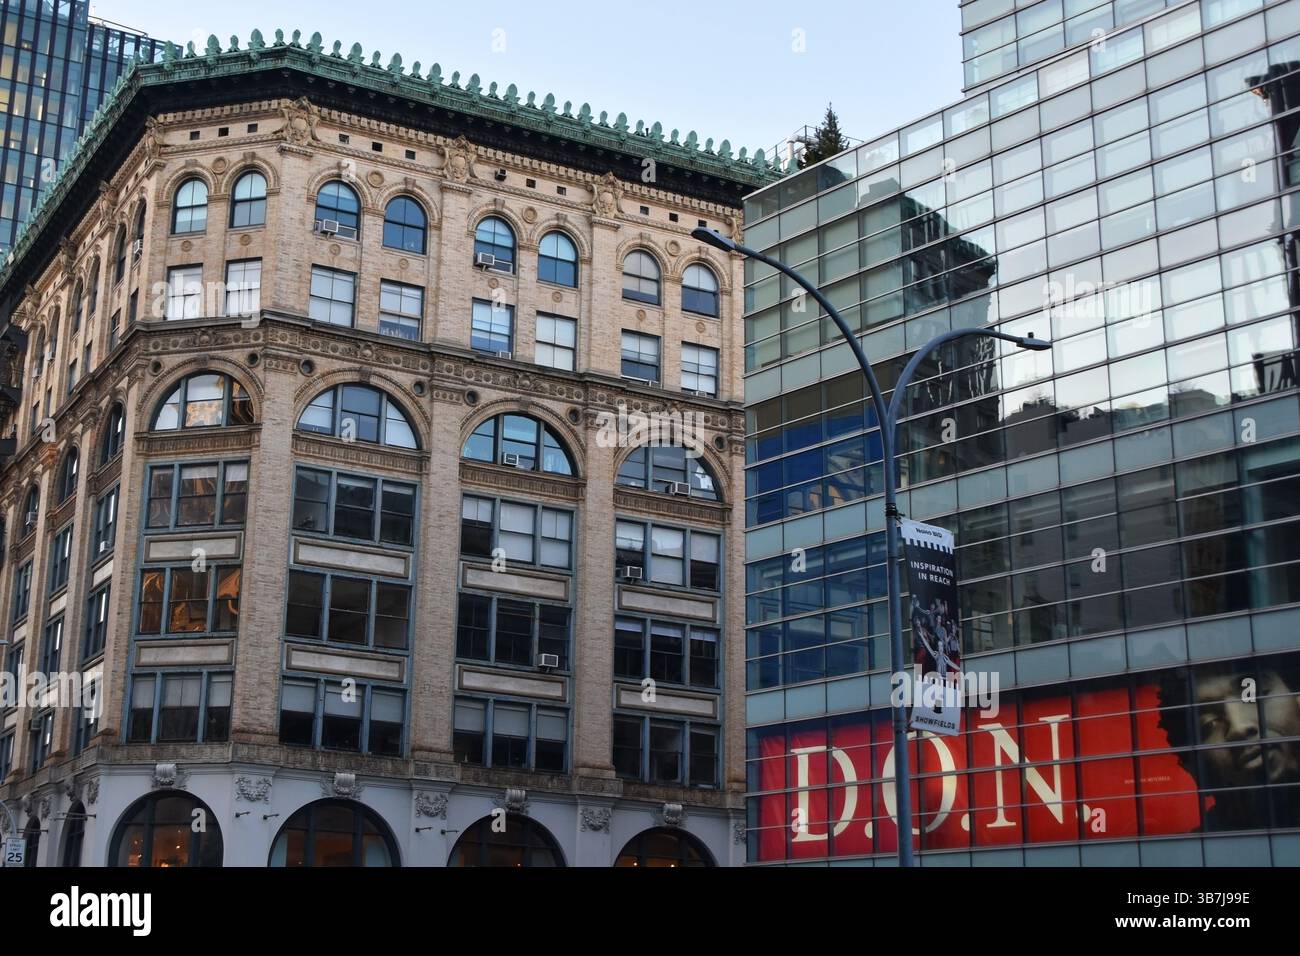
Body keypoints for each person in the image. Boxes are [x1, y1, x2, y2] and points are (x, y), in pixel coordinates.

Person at [1158, 659, 1300, 831]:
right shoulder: (1197, 851)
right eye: (1209, 724)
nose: (1238, 727)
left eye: (1255, 694)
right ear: (1193, 769)